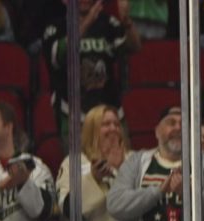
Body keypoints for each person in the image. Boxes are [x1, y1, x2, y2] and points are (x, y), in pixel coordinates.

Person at [42, 0, 141, 134]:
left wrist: (127, 22)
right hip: (72, 111)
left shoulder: (108, 23)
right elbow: (60, 53)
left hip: (109, 107)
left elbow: (134, 47)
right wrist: (88, 21)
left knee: (119, 152)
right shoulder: (55, 27)